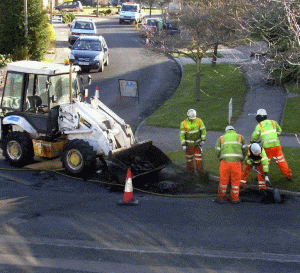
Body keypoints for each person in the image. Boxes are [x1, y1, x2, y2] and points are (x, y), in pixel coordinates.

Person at [251, 109, 292, 180]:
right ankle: (288, 175)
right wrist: (274, 136)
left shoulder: (259, 126)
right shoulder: (273, 122)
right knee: (281, 161)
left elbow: (254, 136)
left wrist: (253, 142)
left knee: (265, 162)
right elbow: (279, 131)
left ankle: (261, 176)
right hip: (276, 146)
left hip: (267, 148)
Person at [215, 126, 248, 204]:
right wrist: (242, 158)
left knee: (223, 181)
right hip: (236, 163)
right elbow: (245, 149)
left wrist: (221, 158)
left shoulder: (221, 138)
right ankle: (234, 198)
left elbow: (217, 150)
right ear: (234, 130)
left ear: (226, 131)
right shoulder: (240, 137)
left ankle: (221, 198)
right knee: (235, 182)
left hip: (224, 163)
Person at [180, 109, 206, 175]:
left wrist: (203, 140)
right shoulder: (183, 123)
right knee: (189, 160)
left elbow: (203, 130)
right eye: (191, 118)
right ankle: (190, 173)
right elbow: (182, 135)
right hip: (189, 145)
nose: (192, 119)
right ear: (188, 116)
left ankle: (200, 173)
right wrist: (183, 144)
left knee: (199, 160)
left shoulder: (199, 121)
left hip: (197, 145)